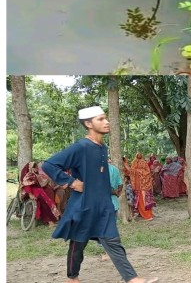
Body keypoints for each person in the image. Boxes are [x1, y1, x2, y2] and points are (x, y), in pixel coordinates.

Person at [40, 105, 158, 283]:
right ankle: (72, 278)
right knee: (77, 245)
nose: (106, 122)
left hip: (103, 206)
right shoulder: (81, 147)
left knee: (113, 243)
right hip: (83, 206)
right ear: (88, 123)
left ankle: (132, 278)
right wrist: (71, 182)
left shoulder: (102, 147)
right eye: (101, 119)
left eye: (106, 118)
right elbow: (49, 165)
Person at [20, 161, 61, 226]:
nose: (37, 169)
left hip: (38, 191)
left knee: (49, 201)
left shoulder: (35, 175)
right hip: (30, 191)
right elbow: (26, 186)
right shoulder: (29, 175)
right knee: (46, 202)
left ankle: (52, 219)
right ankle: (50, 221)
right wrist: (30, 194)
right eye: (35, 168)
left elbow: (42, 182)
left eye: (37, 168)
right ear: (31, 168)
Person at [130, 152, 156, 221]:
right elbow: (131, 172)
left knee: (144, 200)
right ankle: (142, 214)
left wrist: (139, 171)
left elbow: (148, 172)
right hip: (137, 186)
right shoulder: (134, 162)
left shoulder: (144, 162)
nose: (139, 155)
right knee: (139, 200)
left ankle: (147, 215)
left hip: (143, 186)